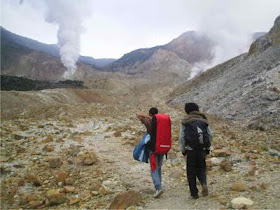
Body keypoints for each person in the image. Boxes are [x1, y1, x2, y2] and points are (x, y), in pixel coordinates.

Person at [179, 103, 212, 199]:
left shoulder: (186, 121)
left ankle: (194, 193)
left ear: (187, 110)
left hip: (191, 150)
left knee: (191, 171)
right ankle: (204, 183)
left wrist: (183, 150)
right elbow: (210, 135)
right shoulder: (203, 120)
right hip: (202, 149)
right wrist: (207, 148)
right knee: (202, 168)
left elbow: (182, 137)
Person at [136, 107, 164, 198]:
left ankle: (158, 188)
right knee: (158, 167)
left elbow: (140, 117)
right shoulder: (161, 122)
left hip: (153, 149)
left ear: (150, 114)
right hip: (161, 148)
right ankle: (159, 185)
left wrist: (144, 116)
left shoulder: (150, 122)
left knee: (154, 168)